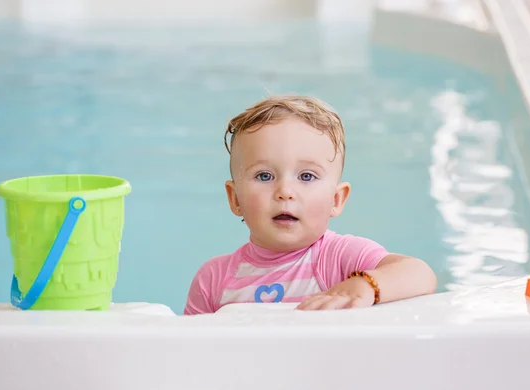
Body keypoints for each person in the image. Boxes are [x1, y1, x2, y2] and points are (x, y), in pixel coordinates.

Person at [183, 94, 437, 315]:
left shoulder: (338, 257)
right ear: (235, 198)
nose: (285, 192)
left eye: (306, 176)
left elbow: (420, 273)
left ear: (336, 200)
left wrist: (365, 285)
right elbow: (188, 351)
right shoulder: (214, 279)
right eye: (264, 176)